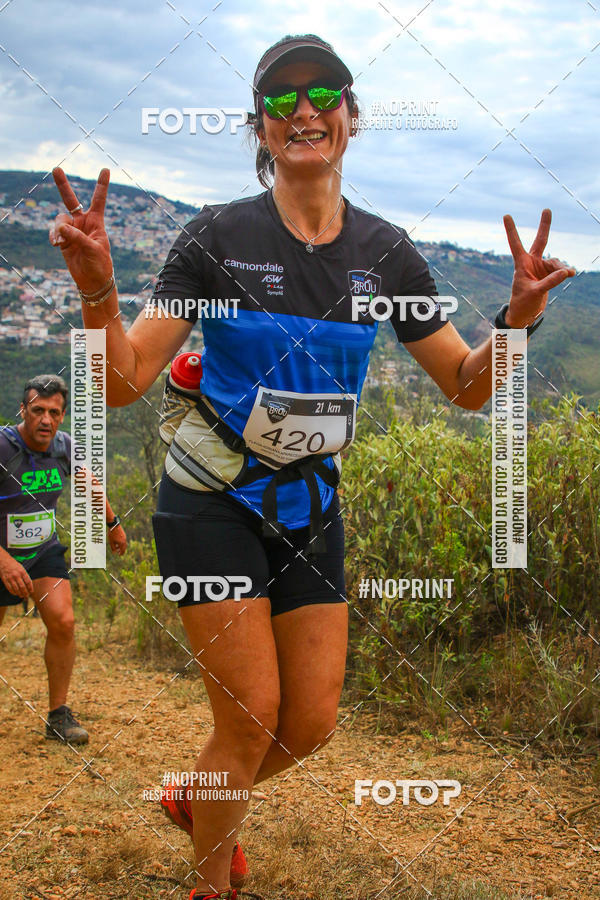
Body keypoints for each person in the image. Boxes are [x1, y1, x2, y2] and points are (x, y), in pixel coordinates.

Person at [48, 33, 575, 900]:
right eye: (282, 99)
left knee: (314, 723)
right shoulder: (215, 237)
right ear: (260, 128)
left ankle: (194, 797)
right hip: (208, 501)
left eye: (322, 93)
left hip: (309, 507)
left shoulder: (386, 252)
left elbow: (465, 388)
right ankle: (211, 885)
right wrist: (96, 289)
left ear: (350, 117)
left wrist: (517, 320)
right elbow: (124, 380)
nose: (304, 109)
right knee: (250, 720)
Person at [0, 374, 128, 744]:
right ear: (23, 410)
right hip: (2, 554)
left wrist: (113, 524)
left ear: (63, 415)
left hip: (42, 551)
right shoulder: (3, 447)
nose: (46, 420)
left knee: (64, 622)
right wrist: (5, 562)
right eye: (38, 410)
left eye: (54, 413)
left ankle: (59, 716)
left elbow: (89, 483)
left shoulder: (63, 446)